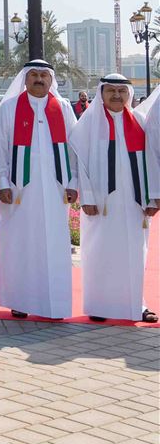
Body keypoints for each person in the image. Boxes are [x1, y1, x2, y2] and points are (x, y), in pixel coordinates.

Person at [0, 60, 79, 319]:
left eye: (43, 75)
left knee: (54, 246)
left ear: (51, 80)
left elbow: (74, 149)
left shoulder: (62, 108)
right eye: (33, 75)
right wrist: (4, 183)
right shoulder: (9, 108)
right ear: (25, 79)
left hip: (55, 191)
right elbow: (1, 149)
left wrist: (73, 183)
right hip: (20, 191)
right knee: (21, 244)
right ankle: (21, 300)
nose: (39, 79)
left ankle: (55, 304)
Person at [71, 75, 159, 323]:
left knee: (135, 255)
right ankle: (99, 305)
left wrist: (152, 198)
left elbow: (152, 160)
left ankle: (136, 305)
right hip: (100, 204)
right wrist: (86, 196)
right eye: (111, 91)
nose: (117, 96)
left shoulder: (141, 122)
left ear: (129, 94)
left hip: (134, 203)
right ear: (101, 93)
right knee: (99, 253)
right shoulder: (89, 124)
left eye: (122, 91)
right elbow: (79, 162)